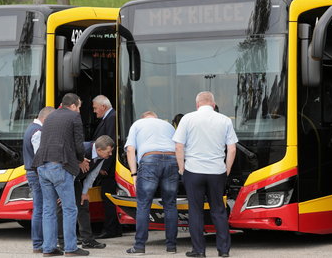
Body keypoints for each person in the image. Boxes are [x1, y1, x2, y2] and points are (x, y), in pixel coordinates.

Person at [173, 91, 238, 258]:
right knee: (219, 210)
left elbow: (179, 147)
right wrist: (227, 169)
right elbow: (231, 148)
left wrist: (182, 168)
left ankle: (199, 250)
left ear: (197, 104)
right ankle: (223, 251)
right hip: (217, 171)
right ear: (213, 104)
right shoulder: (224, 120)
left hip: (193, 171)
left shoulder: (187, 119)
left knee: (195, 211)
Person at [32, 93, 90, 257]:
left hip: (42, 166)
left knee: (49, 209)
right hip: (59, 166)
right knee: (70, 208)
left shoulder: (50, 117)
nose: (79, 110)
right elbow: (79, 145)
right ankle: (71, 248)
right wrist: (80, 160)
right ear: (72, 106)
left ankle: (49, 248)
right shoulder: (74, 117)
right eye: (78, 107)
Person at [124, 111, 179, 254]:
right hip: (172, 159)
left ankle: (140, 246)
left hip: (149, 160)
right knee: (170, 204)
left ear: (143, 118)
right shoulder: (168, 125)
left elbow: (130, 149)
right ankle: (171, 246)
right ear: (156, 117)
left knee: (143, 204)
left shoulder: (137, 124)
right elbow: (179, 146)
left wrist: (134, 174)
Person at [57, 135, 115, 250]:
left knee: (84, 204)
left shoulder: (101, 156)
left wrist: (84, 192)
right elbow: (65, 166)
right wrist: (63, 192)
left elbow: (92, 174)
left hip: (75, 179)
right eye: (109, 152)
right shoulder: (81, 150)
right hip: (63, 178)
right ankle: (62, 240)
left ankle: (87, 240)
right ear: (99, 150)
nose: (111, 154)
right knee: (61, 207)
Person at [23, 106, 55, 254]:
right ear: (46, 118)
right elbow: (40, 156)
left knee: (39, 208)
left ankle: (38, 243)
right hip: (36, 173)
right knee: (41, 209)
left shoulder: (31, 127)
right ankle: (38, 243)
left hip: (31, 172)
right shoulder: (38, 131)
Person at [91, 95, 122, 239]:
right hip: (107, 165)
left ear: (103, 106)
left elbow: (111, 144)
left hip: (108, 167)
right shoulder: (109, 118)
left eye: (96, 108)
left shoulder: (111, 118)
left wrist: (105, 166)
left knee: (108, 197)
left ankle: (111, 229)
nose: (95, 111)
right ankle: (114, 228)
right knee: (108, 197)